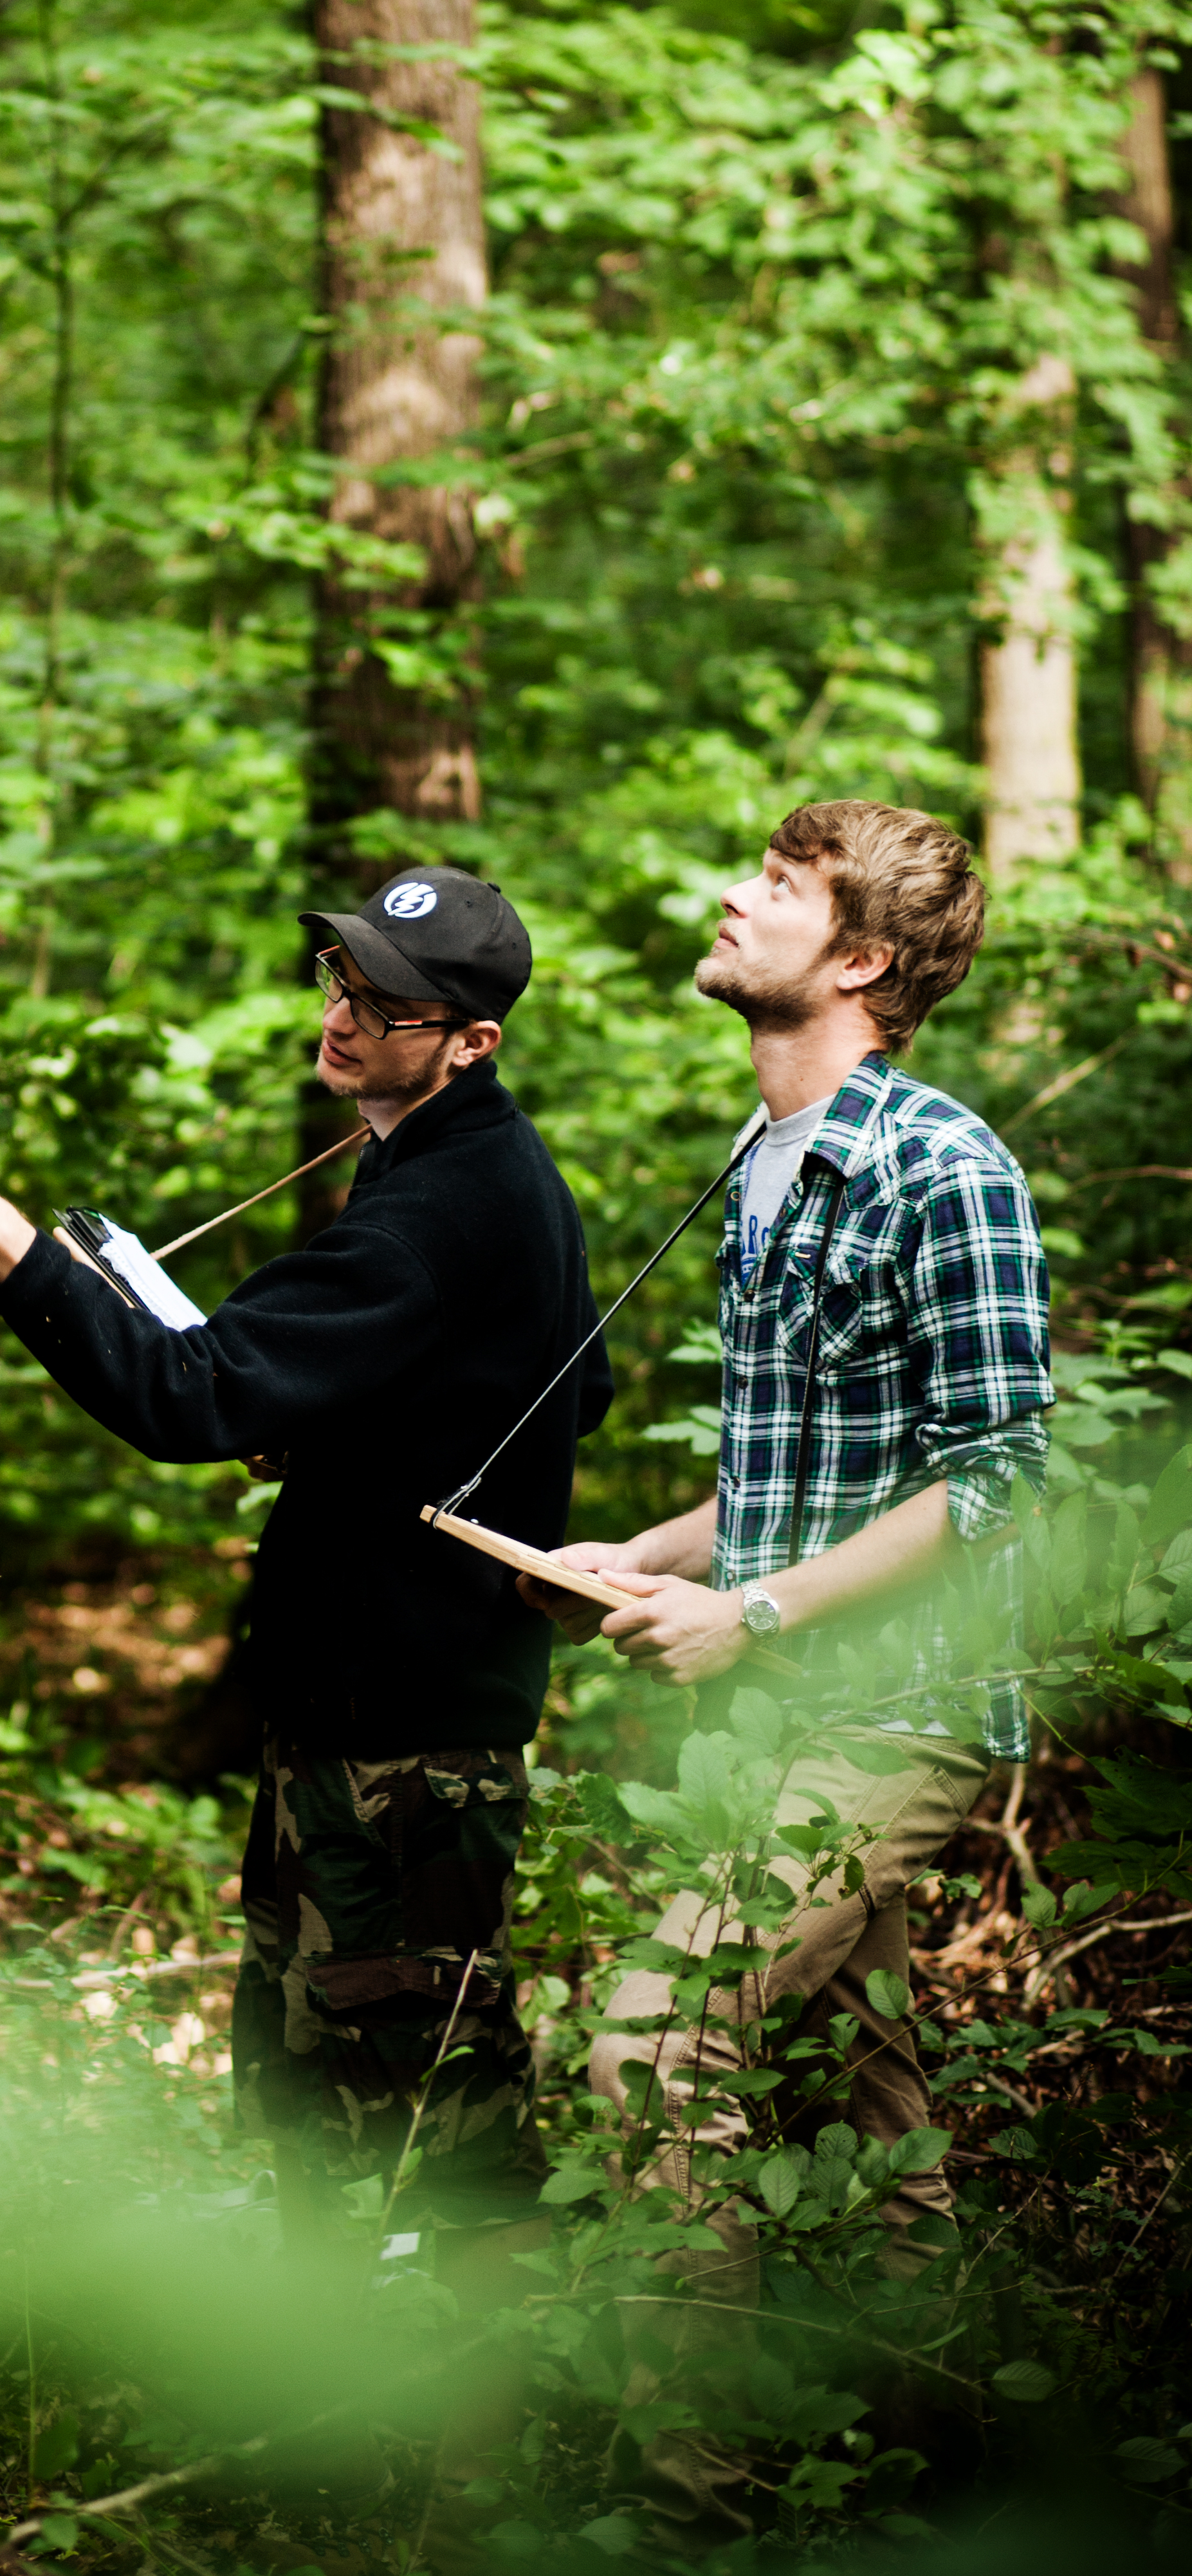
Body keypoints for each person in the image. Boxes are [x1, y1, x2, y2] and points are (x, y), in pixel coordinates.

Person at [0, 869, 609, 2263]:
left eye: (387, 1005)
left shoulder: (449, 1203)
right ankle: (328, 2412)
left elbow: (189, 1402)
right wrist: (351, 1437)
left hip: (407, 1744)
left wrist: (0, 1233)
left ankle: (497, 2417)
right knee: (302, 2086)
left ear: (471, 1040)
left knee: (427, 2104)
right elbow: (575, 1385)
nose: (343, 1017)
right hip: (350, 1720)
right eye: (339, 980)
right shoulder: (442, 1167)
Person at [522, 800, 1053, 2528]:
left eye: (779, 887)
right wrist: (651, 1560)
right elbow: (793, 1473)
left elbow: (992, 1484)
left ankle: (707, 2503)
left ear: (863, 959)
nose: (730, 893)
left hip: (887, 1713)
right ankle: (956, 2473)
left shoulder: (942, 1165)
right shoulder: (764, 1155)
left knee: (660, 2045)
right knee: (871, 2115)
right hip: (777, 1706)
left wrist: (750, 1616)